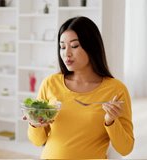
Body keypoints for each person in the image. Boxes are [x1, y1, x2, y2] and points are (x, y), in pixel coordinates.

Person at [26, 16, 134, 159]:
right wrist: (34, 122)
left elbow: (125, 148)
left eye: (74, 46)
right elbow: (37, 141)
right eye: (62, 46)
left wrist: (111, 121)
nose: (66, 53)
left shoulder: (116, 90)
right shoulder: (50, 83)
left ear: (92, 46)